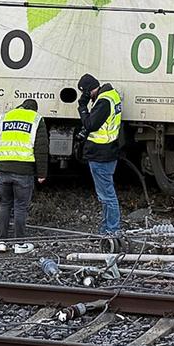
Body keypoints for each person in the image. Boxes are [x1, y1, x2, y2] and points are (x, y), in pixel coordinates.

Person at [0, 99, 48, 253]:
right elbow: (41, 148)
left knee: (5, 205)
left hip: (3, 169)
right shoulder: (36, 119)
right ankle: (19, 244)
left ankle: (2, 242)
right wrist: (42, 173)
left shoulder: (5, 116)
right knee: (20, 207)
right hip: (23, 170)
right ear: (34, 109)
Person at [77, 73, 123, 235]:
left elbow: (90, 124)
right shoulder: (112, 95)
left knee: (107, 196)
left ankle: (112, 230)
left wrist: (82, 108)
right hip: (109, 151)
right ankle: (106, 229)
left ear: (90, 90)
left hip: (100, 153)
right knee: (105, 195)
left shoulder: (103, 101)